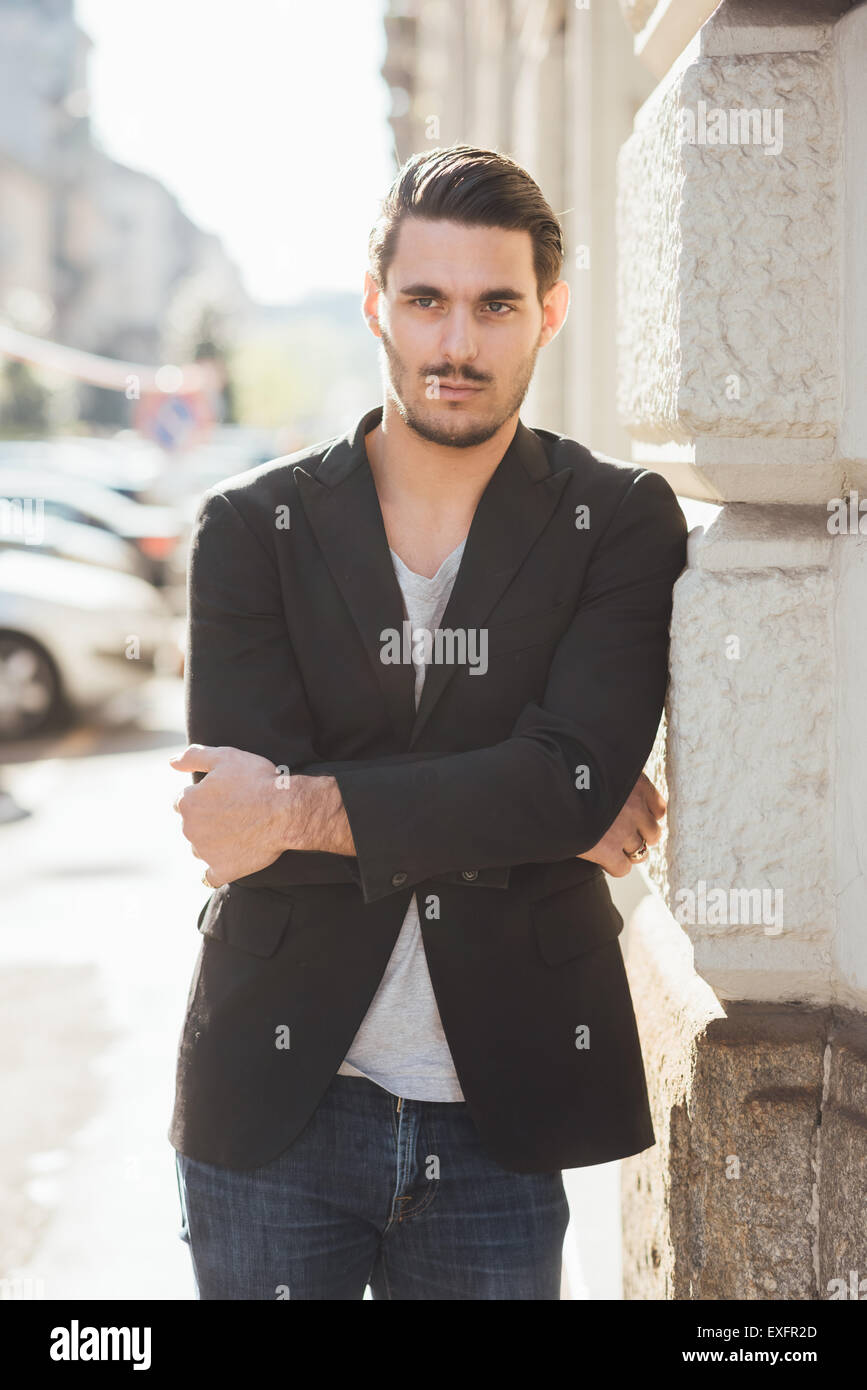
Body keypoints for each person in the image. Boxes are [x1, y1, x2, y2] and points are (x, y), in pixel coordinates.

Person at [169, 144, 688, 1300]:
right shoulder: (253, 528)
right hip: (276, 1101)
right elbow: (238, 824)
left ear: (548, 313)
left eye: (497, 305)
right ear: (376, 308)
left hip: (498, 1116)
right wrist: (536, 808)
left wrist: (310, 804)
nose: (459, 344)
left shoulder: (622, 519)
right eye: (427, 302)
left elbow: (567, 785)